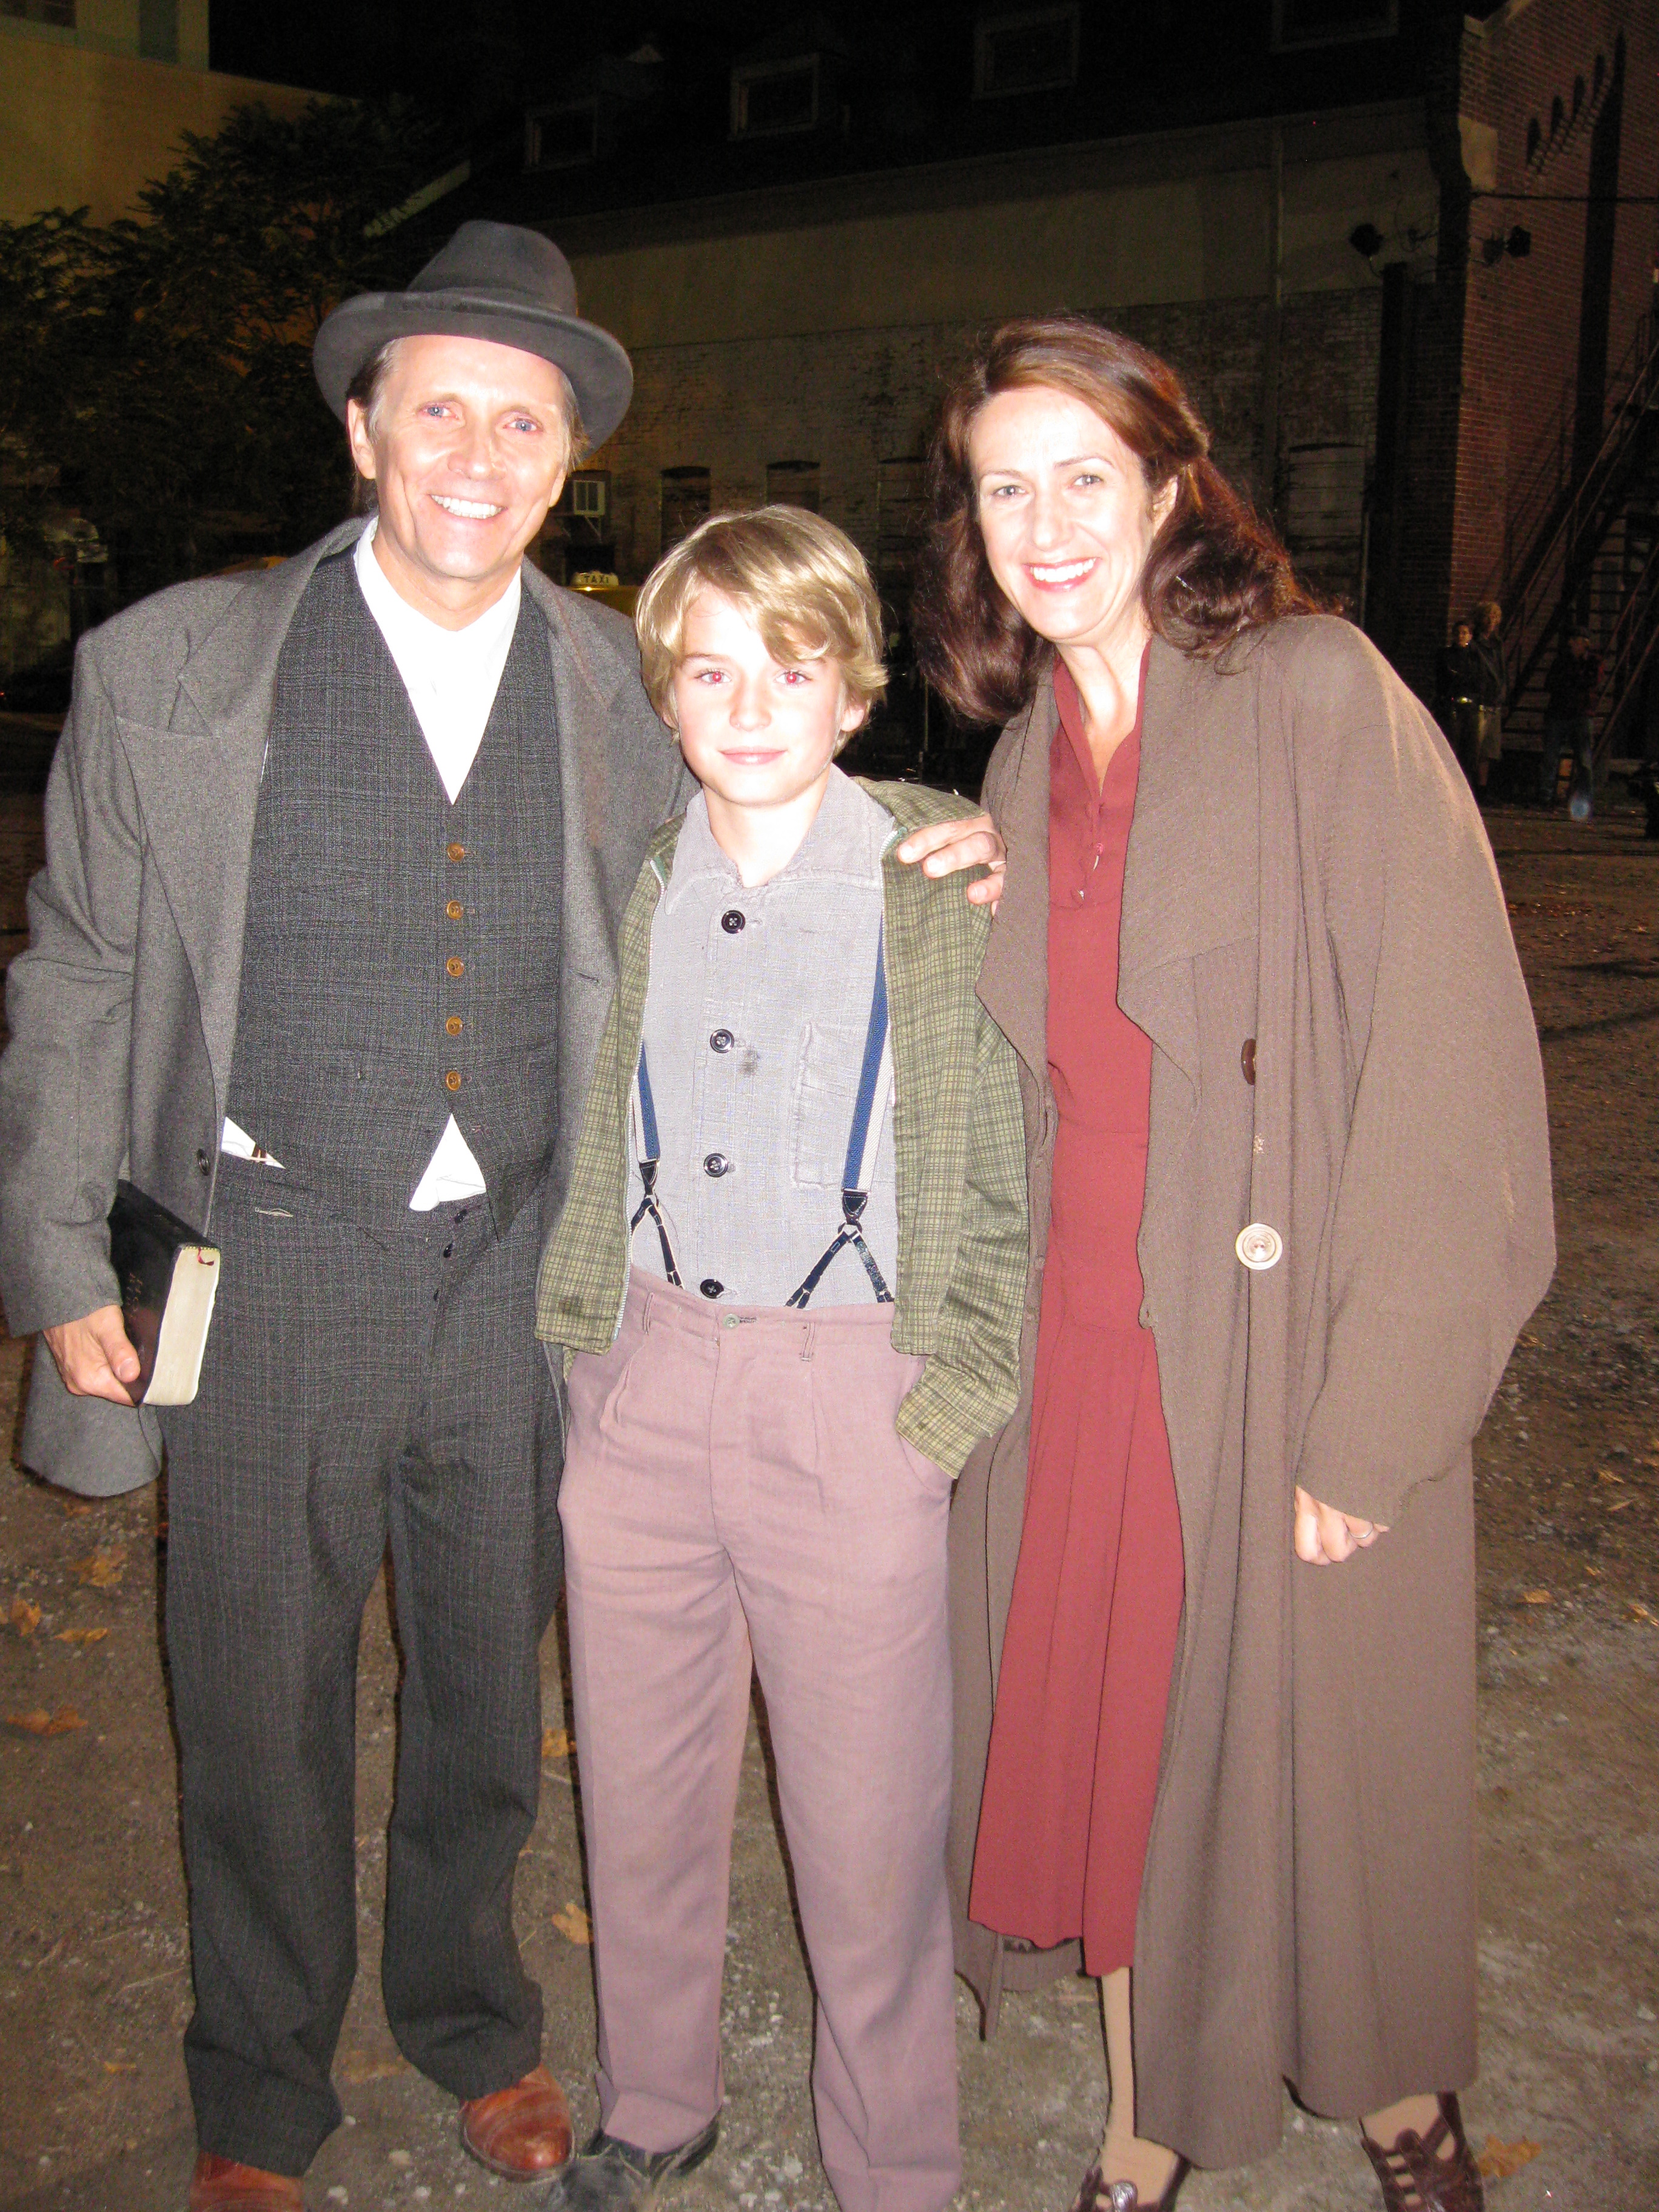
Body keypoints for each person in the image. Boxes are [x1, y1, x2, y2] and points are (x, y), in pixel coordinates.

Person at [0, 224, 1000, 2212]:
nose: (475, 450)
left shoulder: (612, 681)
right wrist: (50, 1261)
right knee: (255, 1690)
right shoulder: (168, 668)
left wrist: (933, 828)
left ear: (561, 463)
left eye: (519, 421)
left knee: (484, 1677)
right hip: (262, 1251)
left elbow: (768, 780)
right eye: (435, 405)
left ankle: (471, 2015)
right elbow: (84, 966)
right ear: (364, 427)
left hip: (531, 1276)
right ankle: (261, 2076)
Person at [911, 317, 1555, 2212]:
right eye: (1002, 488)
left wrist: (1384, 1416)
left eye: (1082, 478)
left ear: (1174, 489)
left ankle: (1397, 2093)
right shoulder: (1022, 757)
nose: (1042, 524)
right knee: (1129, 1735)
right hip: (1087, 1331)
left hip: (1278, 1332)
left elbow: (1454, 1071)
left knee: (1321, 1747)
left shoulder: (1315, 692)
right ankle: (1145, 2111)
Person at [533, 508, 1028, 2212]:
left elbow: (1009, 1170)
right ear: (665, 697)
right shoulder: (629, 872)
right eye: (708, 669)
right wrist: (585, 1376)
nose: (750, 705)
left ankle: (896, 2166)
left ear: (854, 685)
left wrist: (938, 1411)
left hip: (852, 1392)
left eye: (791, 664)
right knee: (644, 1789)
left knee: (868, 1827)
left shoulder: (939, 874)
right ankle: (656, 2099)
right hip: (645, 1388)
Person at [1540, 628, 1601, 810]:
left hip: (1580, 715)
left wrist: (1570, 681)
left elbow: (1590, 682)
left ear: (1585, 643)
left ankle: (1586, 799)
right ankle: (1546, 797)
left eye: (1576, 641)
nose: (1571, 644)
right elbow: (1550, 683)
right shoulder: (1562, 661)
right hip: (1560, 713)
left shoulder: (1592, 662)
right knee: (1551, 757)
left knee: (1584, 760)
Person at [1435, 618, 1483, 786]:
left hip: (1470, 707)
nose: (1461, 637)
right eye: (1458, 633)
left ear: (1470, 636)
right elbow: (1445, 679)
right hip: (1452, 706)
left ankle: (1467, 785)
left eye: (1464, 633)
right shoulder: (1446, 655)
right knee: (1452, 745)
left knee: (1470, 750)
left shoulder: (1476, 657)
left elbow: (1479, 681)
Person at [1471, 598, 1507, 796]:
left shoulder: (1497, 645)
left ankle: (1483, 788)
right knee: (1476, 746)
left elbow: (1502, 671)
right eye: (1488, 616)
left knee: (1489, 750)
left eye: (1495, 617)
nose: (1491, 621)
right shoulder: (1475, 644)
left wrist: (1503, 695)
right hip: (1481, 701)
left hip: (1494, 701)